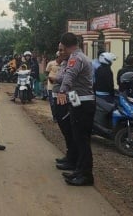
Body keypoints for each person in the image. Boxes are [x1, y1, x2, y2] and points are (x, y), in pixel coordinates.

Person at [56, 32, 95, 186]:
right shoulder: (78, 57)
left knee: (82, 140)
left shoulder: (76, 58)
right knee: (78, 138)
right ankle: (79, 170)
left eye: (61, 47)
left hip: (83, 103)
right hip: (78, 101)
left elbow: (69, 77)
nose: (61, 50)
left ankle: (86, 175)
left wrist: (61, 92)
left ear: (65, 46)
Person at [46, 51, 61, 121]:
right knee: (52, 103)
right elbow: (47, 72)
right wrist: (49, 79)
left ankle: (59, 116)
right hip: (51, 86)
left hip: (60, 86)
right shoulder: (51, 63)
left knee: (59, 102)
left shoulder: (64, 64)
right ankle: (55, 117)